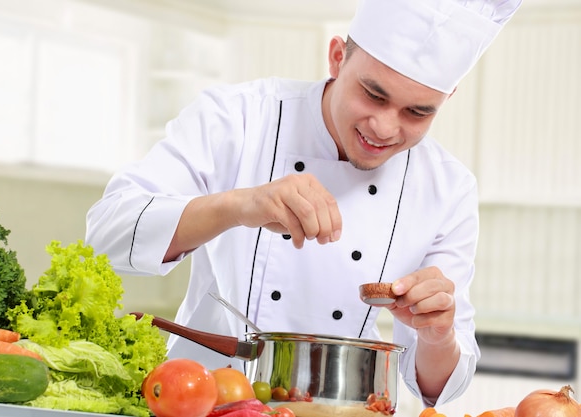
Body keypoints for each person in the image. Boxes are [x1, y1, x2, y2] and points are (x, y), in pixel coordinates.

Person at [85, 0, 522, 407]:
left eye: (418, 112)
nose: (385, 128)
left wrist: (438, 333)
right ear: (337, 57)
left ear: (448, 98)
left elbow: (438, 390)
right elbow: (108, 233)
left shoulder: (448, 188)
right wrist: (240, 205)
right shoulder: (238, 118)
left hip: (343, 409)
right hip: (202, 400)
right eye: (373, 94)